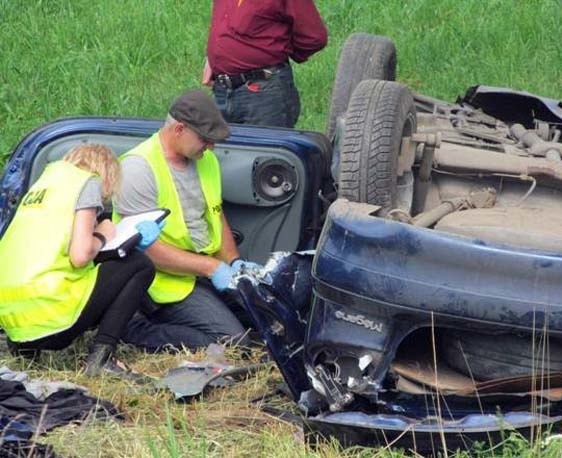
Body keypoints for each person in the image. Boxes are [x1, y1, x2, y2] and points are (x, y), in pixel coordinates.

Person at [114, 89, 260, 352]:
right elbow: (146, 251)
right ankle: (135, 329)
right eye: (205, 139)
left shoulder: (206, 160)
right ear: (179, 129)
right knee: (234, 344)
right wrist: (211, 268)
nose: (211, 146)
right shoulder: (138, 168)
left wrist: (234, 262)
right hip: (164, 282)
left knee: (268, 324)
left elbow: (216, 216)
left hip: (201, 271)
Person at [0, 144, 161, 379]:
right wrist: (104, 233)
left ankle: (26, 352)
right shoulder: (87, 182)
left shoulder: (43, 186)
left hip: (15, 322)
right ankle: (101, 359)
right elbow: (80, 255)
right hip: (51, 319)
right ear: (108, 173)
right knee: (139, 265)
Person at [202, 0, 328, 127]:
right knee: (221, 146)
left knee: (263, 146)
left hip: (263, 91)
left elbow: (314, 37)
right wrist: (216, 56)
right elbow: (224, 19)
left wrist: (272, 51)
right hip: (222, 90)